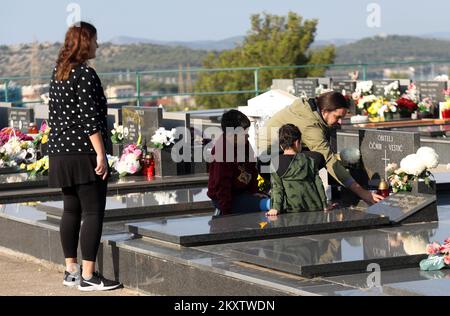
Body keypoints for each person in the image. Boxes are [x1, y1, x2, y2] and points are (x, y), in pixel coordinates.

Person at [48, 22, 121, 291]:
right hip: (83, 151)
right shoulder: (85, 74)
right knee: (92, 212)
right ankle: (89, 277)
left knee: (70, 210)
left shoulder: (58, 72)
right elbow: (90, 119)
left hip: (59, 152)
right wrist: (101, 154)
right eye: (95, 41)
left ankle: (71, 272)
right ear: (85, 42)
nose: (98, 46)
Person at [259, 91, 383, 205]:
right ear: (324, 111)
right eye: (337, 117)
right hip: (269, 163)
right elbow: (329, 160)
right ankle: (295, 192)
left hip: (278, 157)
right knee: (317, 158)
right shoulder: (309, 125)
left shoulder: (311, 108)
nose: (339, 122)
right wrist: (363, 193)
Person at [207, 110, 270, 216]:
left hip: (243, 192)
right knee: (269, 205)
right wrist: (227, 212)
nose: (248, 135)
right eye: (244, 132)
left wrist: (255, 191)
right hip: (226, 198)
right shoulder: (222, 152)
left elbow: (252, 169)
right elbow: (221, 184)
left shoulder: (245, 144)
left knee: (272, 200)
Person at [267, 124, 328, 216]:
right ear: (297, 142)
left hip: (290, 209)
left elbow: (277, 188)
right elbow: (318, 183)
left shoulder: (275, 162)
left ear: (281, 145)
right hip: (314, 207)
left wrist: (275, 208)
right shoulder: (309, 160)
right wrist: (325, 204)